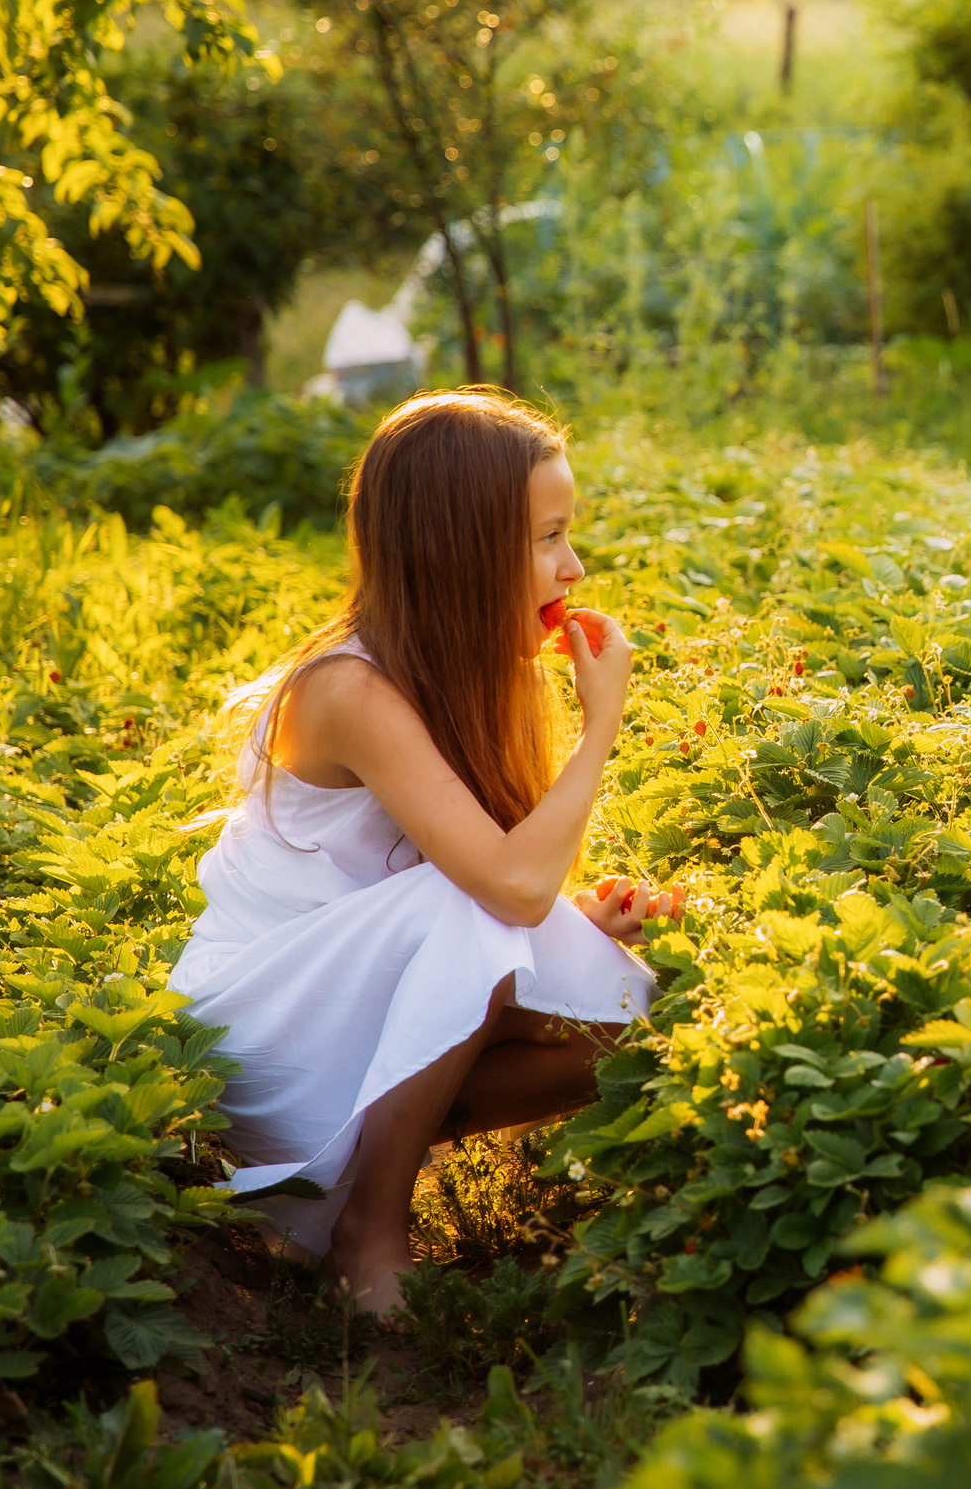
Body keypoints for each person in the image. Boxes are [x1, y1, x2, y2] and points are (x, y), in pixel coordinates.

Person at [171, 388, 675, 1314]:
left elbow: (481, 896)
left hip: (348, 1009)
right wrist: (600, 728)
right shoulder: (347, 689)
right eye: (547, 537)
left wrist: (576, 929)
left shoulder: (459, 674)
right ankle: (369, 1229)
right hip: (254, 1030)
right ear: (462, 551)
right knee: (482, 906)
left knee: (633, 1021)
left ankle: (378, 1161)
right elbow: (506, 890)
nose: (574, 565)